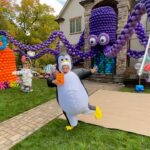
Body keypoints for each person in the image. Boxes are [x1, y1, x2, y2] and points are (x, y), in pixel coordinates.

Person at [47, 53, 102, 130]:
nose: (65, 70)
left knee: (87, 108)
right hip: (67, 105)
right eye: (63, 68)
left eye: (66, 68)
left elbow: (83, 71)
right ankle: (72, 125)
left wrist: (90, 71)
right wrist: (53, 82)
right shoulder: (58, 76)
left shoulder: (75, 73)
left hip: (81, 103)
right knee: (68, 113)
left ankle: (97, 109)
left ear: (69, 66)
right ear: (60, 66)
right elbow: (49, 80)